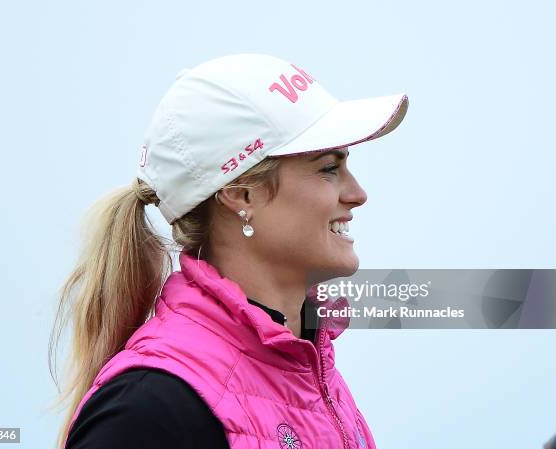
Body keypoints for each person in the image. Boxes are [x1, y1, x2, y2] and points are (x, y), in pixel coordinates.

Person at [49, 53, 409, 449]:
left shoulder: (309, 373)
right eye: (328, 168)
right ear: (241, 195)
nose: (358, 194)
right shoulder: (148, 407)